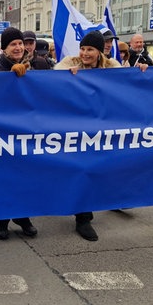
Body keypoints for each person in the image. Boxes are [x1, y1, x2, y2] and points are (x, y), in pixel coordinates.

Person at [55, 30, 124, 241]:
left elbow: (128, 82)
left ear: (99, 51)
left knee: (98, 170)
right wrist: (67, 77)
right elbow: (53, 80)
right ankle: (82, 218)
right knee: (81, 170)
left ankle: (94, 206)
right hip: (76, 128)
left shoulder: (110, 67)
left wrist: (141, 70)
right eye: (83, 48)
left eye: (90, 49)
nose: (85, 53)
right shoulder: (70, 63)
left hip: (101, 128)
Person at [0, 27, 38, 240]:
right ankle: (2, 220)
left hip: (25, 130)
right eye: (13, 44)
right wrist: (8, 79)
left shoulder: (34, 67)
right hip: (2, 132)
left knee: (25, 177)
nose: (18, 47)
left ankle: (23, 216)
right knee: (4, 178)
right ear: (5, 48)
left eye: (20, 43)